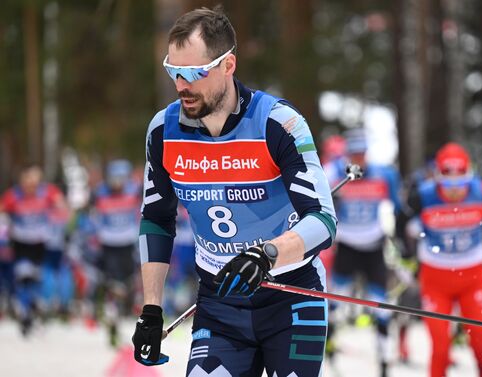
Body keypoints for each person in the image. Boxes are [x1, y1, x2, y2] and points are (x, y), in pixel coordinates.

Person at [132, 6, 337, 376]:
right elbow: (156, 220)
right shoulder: (163, 131)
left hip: (291, 295)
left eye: (195, 72)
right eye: (174, 72)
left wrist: (268, 254)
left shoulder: (278, 124)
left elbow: (323, 220)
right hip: (220, 300)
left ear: (228, 66)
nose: (182, 86)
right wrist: (151, 309)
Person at [397, 142, 482, 377]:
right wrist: (406, 259)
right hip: (435, 279)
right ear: (437, 177)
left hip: (472, 277)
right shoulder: (424, 195)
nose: (455, 191)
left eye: (461, 184)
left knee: (481, 344)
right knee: (440, 347)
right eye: (447, 184)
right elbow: (400, 222)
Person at [323, 128, 402, 377]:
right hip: (347, 243)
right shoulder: (335, 172)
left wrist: (400, 242)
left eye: (363, 153)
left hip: (374, 244)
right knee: (337, 298)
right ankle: (329, 341)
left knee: (382, 305)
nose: (359, 159)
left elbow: (398, 208)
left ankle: (384, 362)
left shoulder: (383, 174)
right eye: (354, 154)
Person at [0, 164, 67, 335]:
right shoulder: (14, 195)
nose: (31, 183)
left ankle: (32, 306)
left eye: (35, 179)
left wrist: (59, 214)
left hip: (40, 243)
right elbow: (2, 209)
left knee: (36, 278)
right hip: (21, 243)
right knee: (24, 276)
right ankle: (24, 311)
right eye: (28, 179)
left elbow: (62, 206)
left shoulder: (47, 192)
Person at [92, 159, 141, 346]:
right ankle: (111, 316)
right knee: (113, 285)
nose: (117, 182)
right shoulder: (99, 193)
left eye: (121, 178)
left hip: (128, 244)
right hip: (108, 245)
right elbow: (91, 214)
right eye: (114, 178)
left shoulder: (135, 190)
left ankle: (118, 315)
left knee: (127, 284)